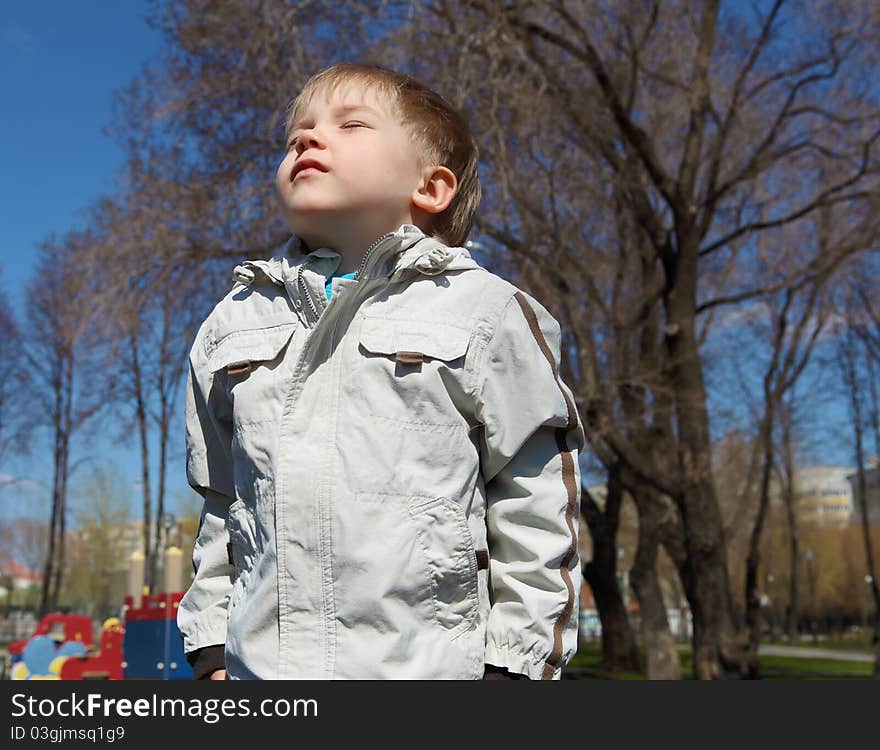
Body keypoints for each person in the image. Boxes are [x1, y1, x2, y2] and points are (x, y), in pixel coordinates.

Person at [178, 63, 585, 680]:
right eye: (298, 132)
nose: (307, 140)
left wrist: (517, 666)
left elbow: (535, 499)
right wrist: (211, 646)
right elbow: (222, 501)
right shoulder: (233, 324)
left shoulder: (486, 313)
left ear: (431, 187)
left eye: (351, 125)